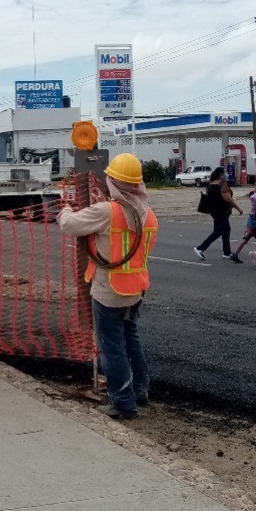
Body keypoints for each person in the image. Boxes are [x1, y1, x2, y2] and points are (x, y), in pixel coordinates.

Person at [58, 153, 158, 420]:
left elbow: (69, 225)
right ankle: (139, 390)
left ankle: (123, 403)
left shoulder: (106, 212)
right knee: (131, 341)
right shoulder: (147, 215)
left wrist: (66, 207)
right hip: (135, 290)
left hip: (109, 290)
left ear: (113, 181)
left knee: (112, 348)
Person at [193, 167, 243, 262]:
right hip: (222, 211)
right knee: (218, 231)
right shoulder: (222, 184)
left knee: (226, 230)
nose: (226, 175)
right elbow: (228, 199)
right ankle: (200, 248)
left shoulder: (211, 184)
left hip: (214, 211)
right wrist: (238, 208)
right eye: (225, 173)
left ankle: (227, 252)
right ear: (220, 175)